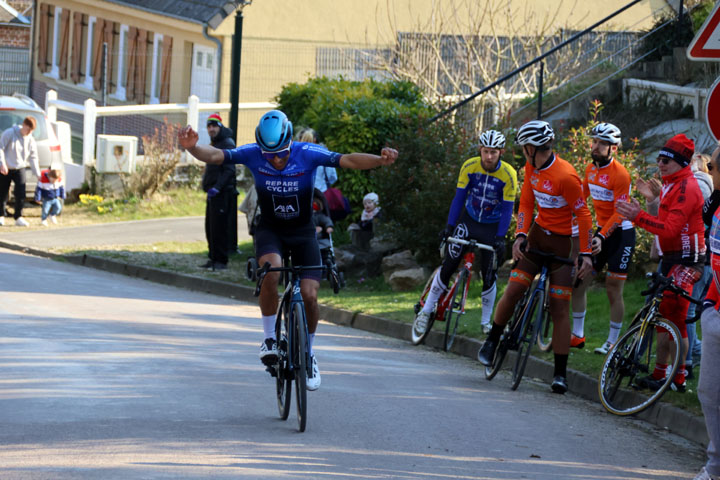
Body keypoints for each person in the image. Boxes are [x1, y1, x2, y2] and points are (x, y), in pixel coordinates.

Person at [177, 109, 398, 391]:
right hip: (271, 230)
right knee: (269, 274)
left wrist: (380, 160)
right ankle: (269, 337)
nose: (276, 160)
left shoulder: (308, 152)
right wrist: (193, 147)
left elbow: (348, 159)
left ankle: (309, 354)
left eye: (281, 153)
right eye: (269, 155)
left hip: (304, 232)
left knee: (310, 295)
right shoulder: (255, 153)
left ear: (289, 143)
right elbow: (216, 156)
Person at [476, 120, 593, 394]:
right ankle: (492, 341)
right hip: (538, 236)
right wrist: (520, 235)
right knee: (515, 288)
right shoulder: (532, 167)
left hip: (563, 246)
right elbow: (527, 202)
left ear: (532, 147)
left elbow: (584, 215)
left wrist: (585, 254)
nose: (521, 152)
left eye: (523, 148)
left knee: (559, 306)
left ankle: (560, 373)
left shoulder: (566, 176)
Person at [616, 134, 705, 393]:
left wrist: (638, 216)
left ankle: (675, 377)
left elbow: (669, 229)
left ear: (680, 163)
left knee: (674, 319)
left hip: (689, 261)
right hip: (671, 259)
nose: (660, 164)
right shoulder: (669, 183)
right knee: (666, 318)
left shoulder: (686, 188)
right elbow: (663, 220)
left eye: (666, 160)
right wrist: (651, 203)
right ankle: (665, 376)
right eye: (659, 159)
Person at [413, 130, 517, 336]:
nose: (488, 157)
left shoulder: (509, 174)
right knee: (449, 264)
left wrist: (500, 237)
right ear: (480, 150)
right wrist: (449, 226)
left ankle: (487, 322)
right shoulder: (470, 166)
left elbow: (507, 209)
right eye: (486, 151)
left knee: (490, 273)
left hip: (491, 226)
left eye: (493, 152)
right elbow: (459, 198)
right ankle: (425, 312)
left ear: (501, 152)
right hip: (468, 221)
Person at [570, 123, 635, 354]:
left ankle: (612, 342)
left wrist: (600, 235)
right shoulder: (590, 169)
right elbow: (582, 196)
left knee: (612, 288)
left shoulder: (621, 175)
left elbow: (620, 213)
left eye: (602, 143)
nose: (596, 146)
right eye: (594, 141)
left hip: (621, 233)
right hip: (600, 230)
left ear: (613, 149)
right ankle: (577, 335)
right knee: (580, 280)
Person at [696, 144, 720, 480]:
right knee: (709, 392)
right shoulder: (715, 210)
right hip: (716, 312)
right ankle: (715, 465)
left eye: (712, 165)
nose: (708, 171)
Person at [200, 113, 237, 270]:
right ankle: (213, 257)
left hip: (222, 193)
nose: (211, 129)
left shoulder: (226, 144)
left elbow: (229, 170)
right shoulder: (215, 143)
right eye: (209, 126)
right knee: (211, 227)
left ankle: (221, 260)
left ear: (220, 127)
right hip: (213, 194)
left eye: (214, 125)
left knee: (220, 228)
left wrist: (217, 187)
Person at [0, 116, 40, 227]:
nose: (28, 132)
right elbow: (1, 148)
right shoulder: (9, 133)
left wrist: (37, 173)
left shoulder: (30, 139)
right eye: (27, 129)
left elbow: (33, 157)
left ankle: (18, 216)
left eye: (31, 131)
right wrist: (2, 163)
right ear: (23, 125)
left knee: (20, 193)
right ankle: (1, 215)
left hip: (20, 167)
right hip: (6, 167)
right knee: (2, 192)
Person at [295, 127, 338, 194]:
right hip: (321, 194)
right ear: (315, 140)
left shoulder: (293, 156)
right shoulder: (325, 154)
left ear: (299, 140)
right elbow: (333, 177)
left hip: (300, 195)